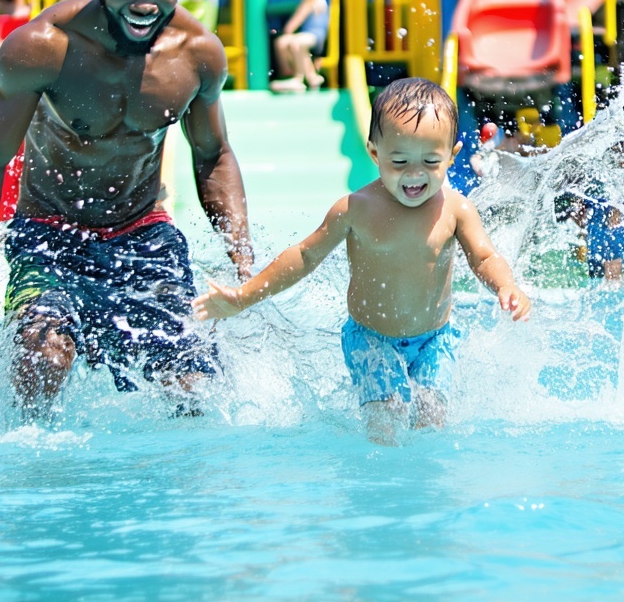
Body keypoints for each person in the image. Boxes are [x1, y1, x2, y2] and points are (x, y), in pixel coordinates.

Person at [0, 0, 255, 418]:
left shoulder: (197, 55)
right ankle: (35, 475)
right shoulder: (43, 47)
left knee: (193, 384)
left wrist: (242, 250)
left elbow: (213, 154)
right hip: (50, 233)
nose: (144, 6)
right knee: (44, 357)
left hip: (142, 232)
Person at [193, 78, 532, 444]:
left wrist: (506, 285)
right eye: (399, 161)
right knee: (385, 422)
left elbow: (484, 256)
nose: (414, 173)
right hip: (372, 339)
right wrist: (243, 296)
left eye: (431, 162)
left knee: (432, 421)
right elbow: (304, 256)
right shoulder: (355, 209)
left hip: (436, 338)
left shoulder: (457, 210)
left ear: (452, 155)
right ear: (374, 153)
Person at [270, 0, 330, 92]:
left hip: (315, 35)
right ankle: (303, 75)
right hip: (307, 34)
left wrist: (288, 31)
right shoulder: (308, 0)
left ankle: (299, 77)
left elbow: (294, 23)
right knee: (281, 42)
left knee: (296, 42)